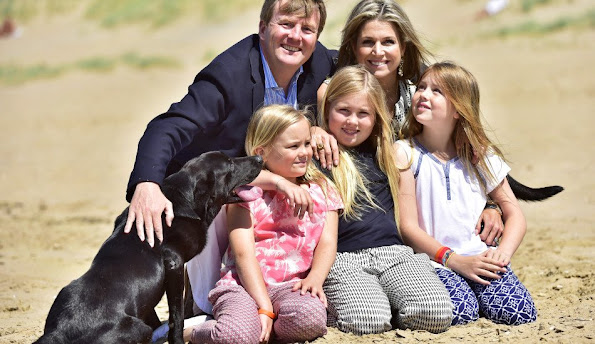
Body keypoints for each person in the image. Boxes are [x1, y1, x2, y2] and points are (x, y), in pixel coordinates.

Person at [124, 0, 337, 247]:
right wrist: (147, 183)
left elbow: (359, 67)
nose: (295, 36)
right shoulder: (228, 76)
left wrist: (317, 124)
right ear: (263, 27)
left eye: (307, 29)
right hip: (213, 190)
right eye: (286, 24)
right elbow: (168, 126)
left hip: (275, 187)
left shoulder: (318, 60)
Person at [314, 0, 504, 245]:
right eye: (368, 42)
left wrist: (491, 204)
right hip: (351, 227)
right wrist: (314, 130)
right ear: (353, 46)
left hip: (424, 222)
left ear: (403, 47)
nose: (378, 51)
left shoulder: (418, 97)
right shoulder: (329, 94)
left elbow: (462, 150)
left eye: (388, 42)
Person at [183, 104, 343, 343]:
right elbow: (242, 253)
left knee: (311, 319)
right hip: (243, 285)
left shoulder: (323, 189)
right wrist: (264, 307)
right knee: (235, 336)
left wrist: (315, 279)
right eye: (293, 146)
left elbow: (328, 241)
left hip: (291, 286)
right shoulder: (244, 193)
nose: (305, 152)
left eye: (307, 143)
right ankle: (192, 332)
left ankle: (261, 329)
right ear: (262, 152)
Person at [395, 61, 537, 326]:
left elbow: (514, 212)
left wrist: (501, 254)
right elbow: (408, 227)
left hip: (481, 258)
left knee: (520, 314)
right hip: (435, 263)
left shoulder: (479, 154)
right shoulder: (404, 153)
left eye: (437, 91)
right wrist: (455, 261)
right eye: (422, 87)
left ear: (459, 109)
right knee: (460, 313)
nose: (424, 94)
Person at [316, 65, 453, 335]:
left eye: (363, 113)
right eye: (343, 111)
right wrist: (312, 130)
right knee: (366, 322)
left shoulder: (389, 153)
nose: (352, 121)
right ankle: (366, 304)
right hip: (343, 258)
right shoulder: (316, 155)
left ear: (377, 116)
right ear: (328, 108)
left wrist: (491, 205)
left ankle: (384, 300)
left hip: (395, 254)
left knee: (435, 313)